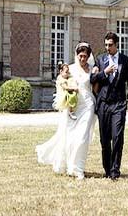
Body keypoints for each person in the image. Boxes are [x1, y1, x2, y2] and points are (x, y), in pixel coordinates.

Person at [36, 42, 97, 179]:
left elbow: (95, 87)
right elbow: (59, 81)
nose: (83, 59)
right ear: (77, 55)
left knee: (82, 137)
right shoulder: (70, 69)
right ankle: (69, 165)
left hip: (88, 105)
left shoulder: (92, 69)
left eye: (85, 56)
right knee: (70, 137)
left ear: (89, 57)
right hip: (73, 106)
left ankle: (78, 168)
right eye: (80, 56)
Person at [90, 32, 128, 180]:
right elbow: (92, 79)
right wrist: (104, 72)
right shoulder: (100, 60)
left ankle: (115, 170)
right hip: (103, 104)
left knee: (117, 137)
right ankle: (107, 169)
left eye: (110, 45)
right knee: (105, 140)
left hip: (119, 104)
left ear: (117, 45)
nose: (107, 47)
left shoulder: (126, 60)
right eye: (106, 45)